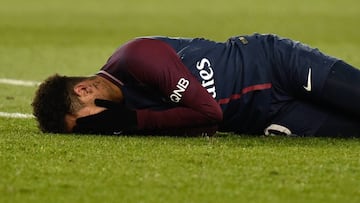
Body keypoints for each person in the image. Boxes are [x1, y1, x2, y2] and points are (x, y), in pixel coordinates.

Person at [32, 33, 360, 137]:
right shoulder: (125, 114)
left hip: (279, 65)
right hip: (268, 114)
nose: (97, 128)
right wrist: (132, 122)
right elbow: (206, 126)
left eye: (86, 122)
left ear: (84, 90)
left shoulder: (137, 57)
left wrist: (134, 121)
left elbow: (209, 112)